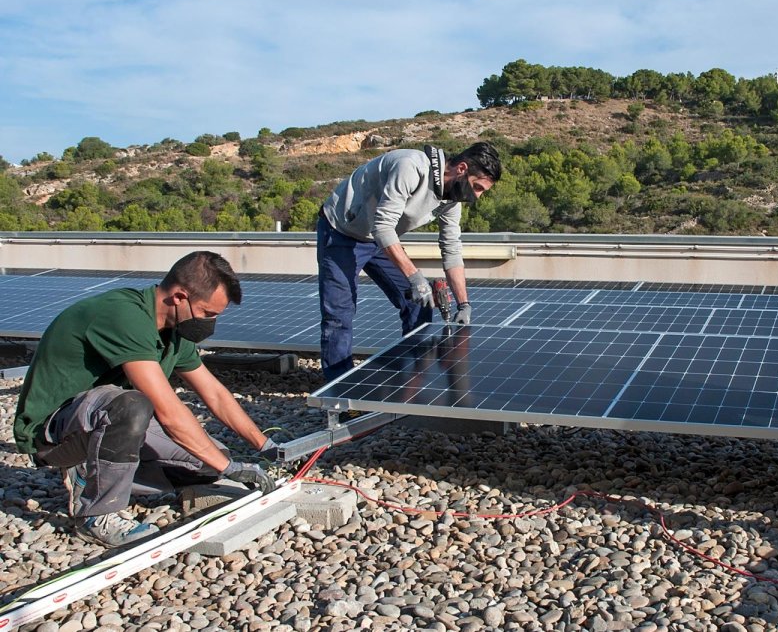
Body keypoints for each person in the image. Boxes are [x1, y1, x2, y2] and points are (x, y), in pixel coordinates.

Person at [13, 251, 278, 548]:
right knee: (132, 406)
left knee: (208, 463)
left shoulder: (173, 332)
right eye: (207, 313)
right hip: (56, 432)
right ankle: (97, 514)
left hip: (101, 421)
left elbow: (214, 394)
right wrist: (229, 469)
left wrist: (265, 446)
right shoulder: (124, 316)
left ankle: (92, 473)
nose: (211, 323)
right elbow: (167, 411)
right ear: (179, 296)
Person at [317, 142, 501, 381]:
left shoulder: (451, 199)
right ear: (462, 169)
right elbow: (382, 226)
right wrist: (416, 278)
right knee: (339, 314)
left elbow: (452, 249)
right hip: (342, 231)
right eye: (477, 187)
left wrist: (464, 305)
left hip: (381, 239)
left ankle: (410, 376)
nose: (477, 196)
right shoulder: (410, 167)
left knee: (419, 304)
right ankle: (339, 390)